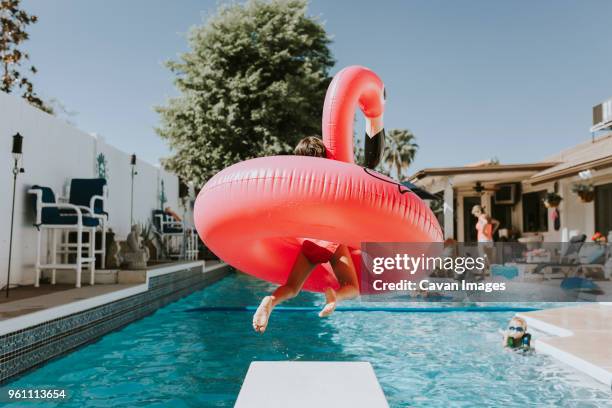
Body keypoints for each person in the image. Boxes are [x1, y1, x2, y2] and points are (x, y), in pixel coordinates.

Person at [252, 136, 360, 334]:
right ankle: (335, 296)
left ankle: (270, 301)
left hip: (310, 243)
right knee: (352, 286)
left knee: (292, 288)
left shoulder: (296, 184)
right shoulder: (331, 180)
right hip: (332, 242)